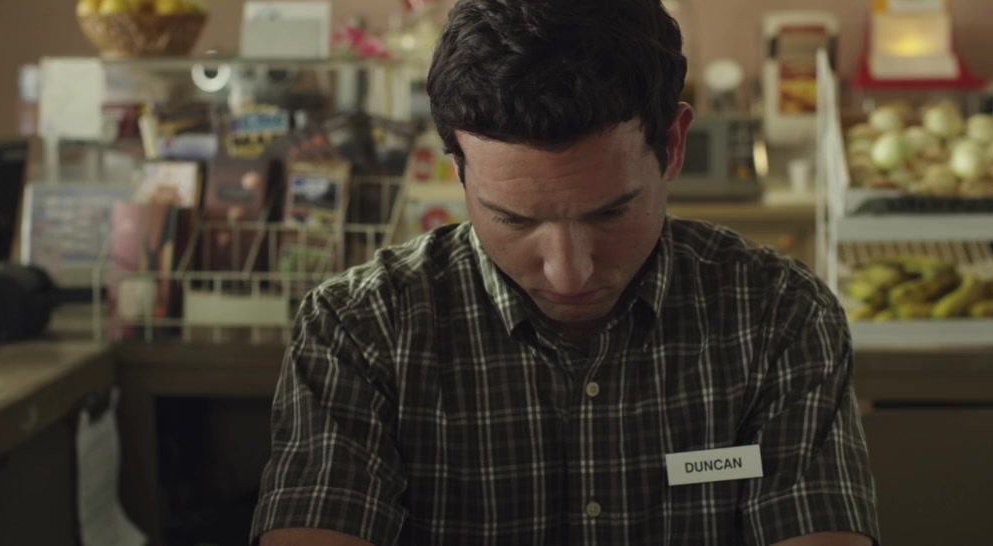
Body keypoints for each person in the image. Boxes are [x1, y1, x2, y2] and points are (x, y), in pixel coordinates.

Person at [252, 0, 879, 544]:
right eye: (514, 220)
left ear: (673, 145)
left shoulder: (779, 317)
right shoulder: (361, 331)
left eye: (610, 214)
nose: (569, 273)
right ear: (458, 170)